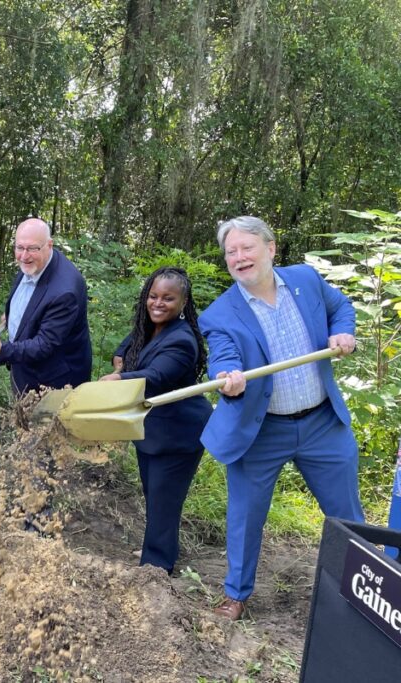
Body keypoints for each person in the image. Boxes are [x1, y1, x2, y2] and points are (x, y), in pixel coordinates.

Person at [200, 215, 364, 620]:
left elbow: (340, 307)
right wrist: (226, 377)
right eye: (231, 252)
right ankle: (236, 595)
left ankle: (364, 587)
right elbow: (222, 356)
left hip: (322, 424)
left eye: (246, 248)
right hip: (261, 431)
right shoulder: (219, 314)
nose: (238, 258)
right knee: (245, 514)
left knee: (347, 515)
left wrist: (342, 334)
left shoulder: (306, 280)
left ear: (270, 248)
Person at [99, 267, 212, 573]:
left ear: (183, 302)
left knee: (165, 500)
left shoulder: (182, 340)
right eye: (153, 296)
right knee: (155, 494)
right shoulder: (151, 327)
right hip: (153, 430)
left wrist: (120, 377)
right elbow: (128, 344)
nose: (158, 303)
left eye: (168, 298)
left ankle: (157, 568)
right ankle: (156, 549)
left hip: (178, 432)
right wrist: (121, 358)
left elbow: (157, 376)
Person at [0, 218, 91, 394]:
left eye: (32, 248)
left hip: (53, 384)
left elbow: (44, 345)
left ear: (49, 245)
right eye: (19, 247)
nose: (24, 255)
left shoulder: (64, 292)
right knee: (22, 421)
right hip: (26, 370)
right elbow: (31, 300)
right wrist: (13, 315)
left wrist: (2, 349)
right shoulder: (35, 262)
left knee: (41, 423)